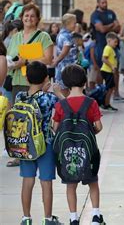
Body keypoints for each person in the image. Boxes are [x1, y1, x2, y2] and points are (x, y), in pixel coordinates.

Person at [52, 64, 105, 225]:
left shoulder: (61, 105)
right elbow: (99, 126)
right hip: (88, 152)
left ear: (65, 84)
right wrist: (88, 133)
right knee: (93, 183)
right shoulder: (91, 102)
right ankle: (96, 216)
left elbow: (55, 128)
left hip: (68, 152)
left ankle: (73, 218)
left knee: (70, 185)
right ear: (84, 82)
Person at [6, 3, 54, 168]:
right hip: (18, 81)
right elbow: (10, 57)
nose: (29, 18)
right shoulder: (15, 37)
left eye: (32, 16)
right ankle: (19, 153)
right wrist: (14, 63)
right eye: (26, 15)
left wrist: (26, 61)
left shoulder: (43, 37)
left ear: (37, 19)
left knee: (37, 118)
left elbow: (48, 59)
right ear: (21, 18)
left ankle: (38, 149)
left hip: (36, 82)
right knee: (19, 120)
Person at [16, 61, 63, 225]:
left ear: (27, 79)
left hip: (25, 145)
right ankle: (48, 219)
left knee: (27, 180)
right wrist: (56, 92)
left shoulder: (19, 96)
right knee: (46, 182)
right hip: (45, 143)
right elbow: (65, 106)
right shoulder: (49, 98)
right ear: (46, 79)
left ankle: (26, 218)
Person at [89, 0, 120, 86]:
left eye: (106, 2)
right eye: (102, 3)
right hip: (101, 45)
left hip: (114, 45)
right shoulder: (95, 15)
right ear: (98, 3)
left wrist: (107, 27)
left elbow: (118, 27)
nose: (105, 4)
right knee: (100, 68)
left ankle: (116, 92)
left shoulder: (111, 13)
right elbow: (101, 29)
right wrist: (111, 25)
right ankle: (101, 88)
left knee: (115, 68)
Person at [53, 14, 78, 96]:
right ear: (68, 23)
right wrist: (57, 60)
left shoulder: (61, 34)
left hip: (64, 66)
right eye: (74, 23)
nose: (75, 25)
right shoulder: (66, 36)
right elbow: (65, 50)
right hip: (65, 67)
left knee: (64, 90)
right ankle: (65, 107)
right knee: (65, 90)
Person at [100, 32, 120, 111]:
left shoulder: (111, 49)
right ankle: (106, 103)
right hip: (106, 70)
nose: (116, 43)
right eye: (115, 42)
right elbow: (104, 59)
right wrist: (112, 66)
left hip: (109, 71)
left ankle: (106, 103)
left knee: (110, 88)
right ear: (109, 41)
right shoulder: (108, 48)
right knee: (109, 88)